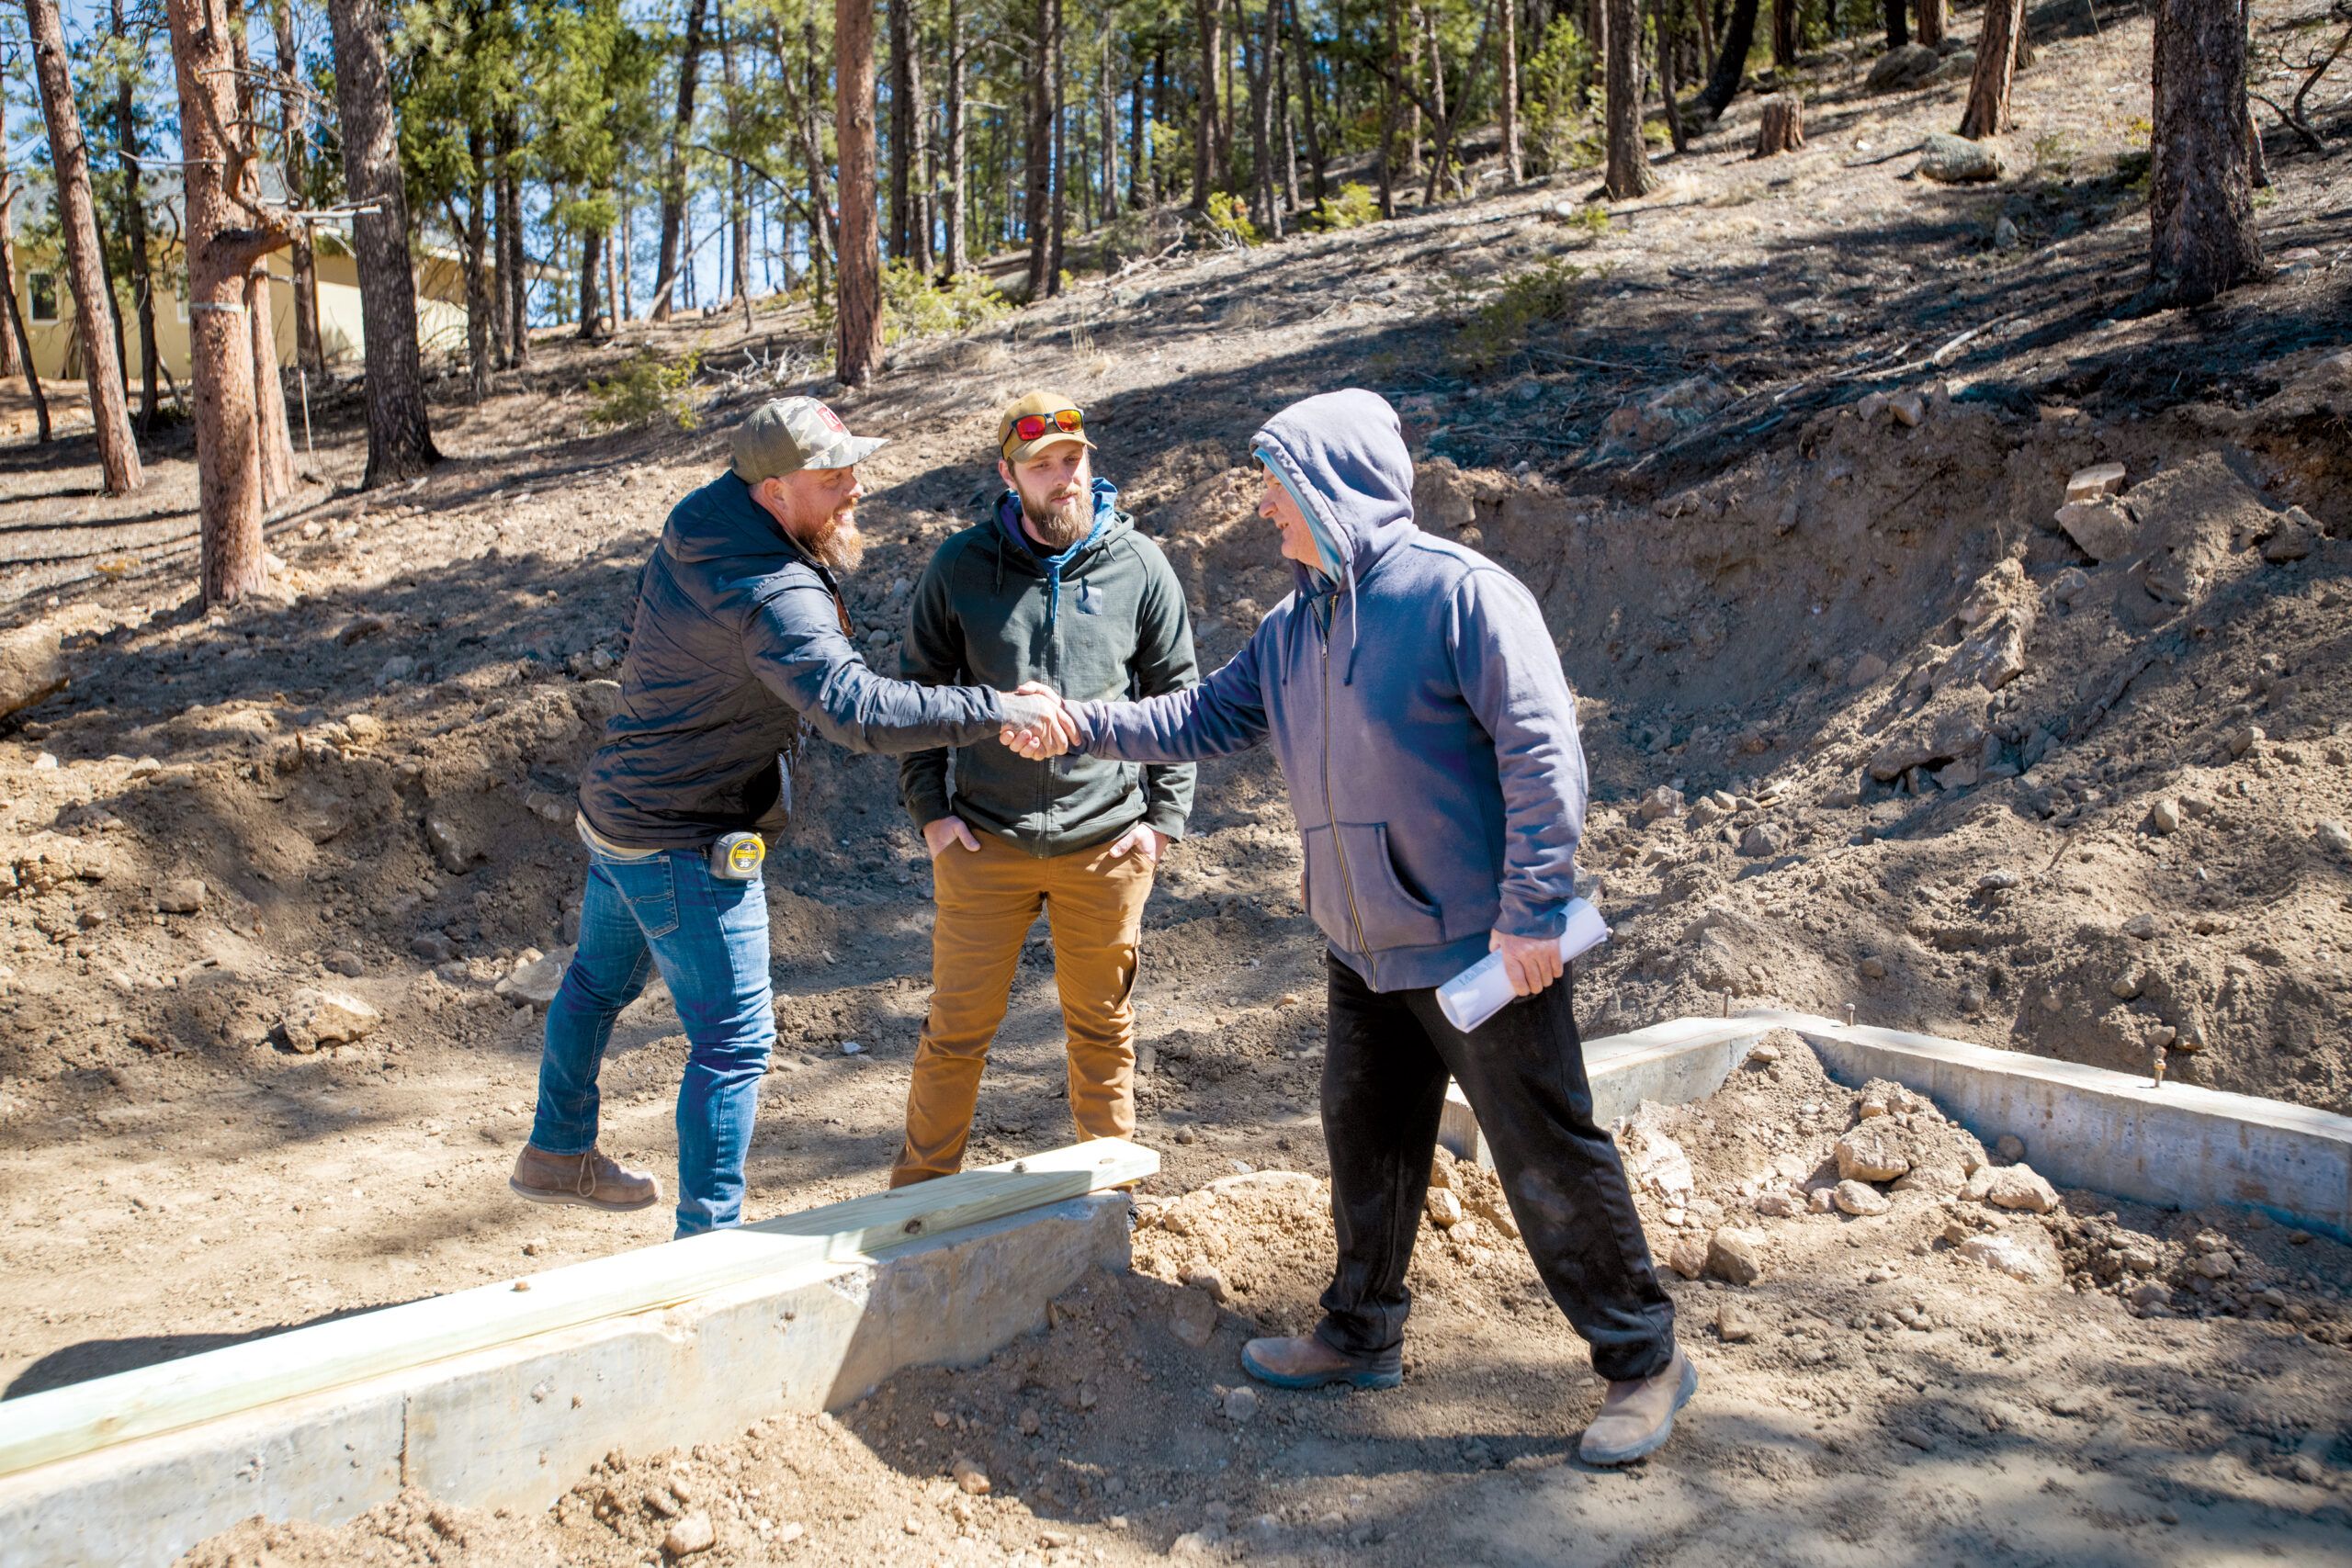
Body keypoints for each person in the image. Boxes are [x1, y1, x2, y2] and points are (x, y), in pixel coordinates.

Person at [1006, 388, 1692, 1465]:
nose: (1268, 512)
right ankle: (1360, 1333)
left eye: (1279, 490)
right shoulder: (1294, 627)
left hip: (1483, 950)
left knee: (1544, 1153)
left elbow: (1542, 755)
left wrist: (1531, 914)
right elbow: (1197, 717)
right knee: (1364, 1139)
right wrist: (1082, 722)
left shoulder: (1461, 594)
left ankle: (1641, 1361)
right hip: (1361, 946)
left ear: (1333, 488)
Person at [512, 397, 1076, 1238]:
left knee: (597, 981)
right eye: (832, 478)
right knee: (735, 1040)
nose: (856, 488)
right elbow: (856, 709)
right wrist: (996, 707)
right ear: (774, 491)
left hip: (621, 806)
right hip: (684, 836)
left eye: (853, 466)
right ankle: (709, 1244)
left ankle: (557, 1150)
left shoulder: (705, 514)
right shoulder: (771, 592)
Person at [890, 392, 1199, 1188]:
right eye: (1043, 466)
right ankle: (914, 1209)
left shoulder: (1141, 565)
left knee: (1102, 1028)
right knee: (955, 1032)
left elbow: (1180, 697)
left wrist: (1161, 823)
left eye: (1074, 460)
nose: (1064, 478)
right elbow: (917, 697)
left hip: (1106, 842)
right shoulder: (960, 568)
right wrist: (931, 814)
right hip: (983, 840)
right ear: (1009, 474)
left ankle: (1114, 1205)